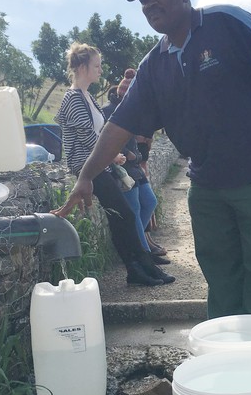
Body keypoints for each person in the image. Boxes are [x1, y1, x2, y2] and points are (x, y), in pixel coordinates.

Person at [53, 0, 251, 321]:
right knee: (220, 272)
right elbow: (120, 124)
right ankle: (230, 359)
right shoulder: (154, 66)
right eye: (144, 2)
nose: (151, 6)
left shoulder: (227, 21)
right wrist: (86, 175)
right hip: (206, 181)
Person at [54, 41, 174, 286]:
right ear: (82, 67)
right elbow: (88, 137)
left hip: (99, 165)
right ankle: (139, 269)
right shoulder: (74, 98)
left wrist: (111, 155)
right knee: (125, 215)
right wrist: (113, 155)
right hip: (86, 166)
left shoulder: (87, 97)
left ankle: (143, 268)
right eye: (96, 65)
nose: (100, 70)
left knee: (124, 215)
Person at [104, 82, 168, 265]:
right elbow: (105, 136)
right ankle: (144, 254)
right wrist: (125, 151)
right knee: (135, 210)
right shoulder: (110, 110)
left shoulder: (128, 109)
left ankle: (136, 243)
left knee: (149, 202)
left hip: (135, 166)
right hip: (123, 167)